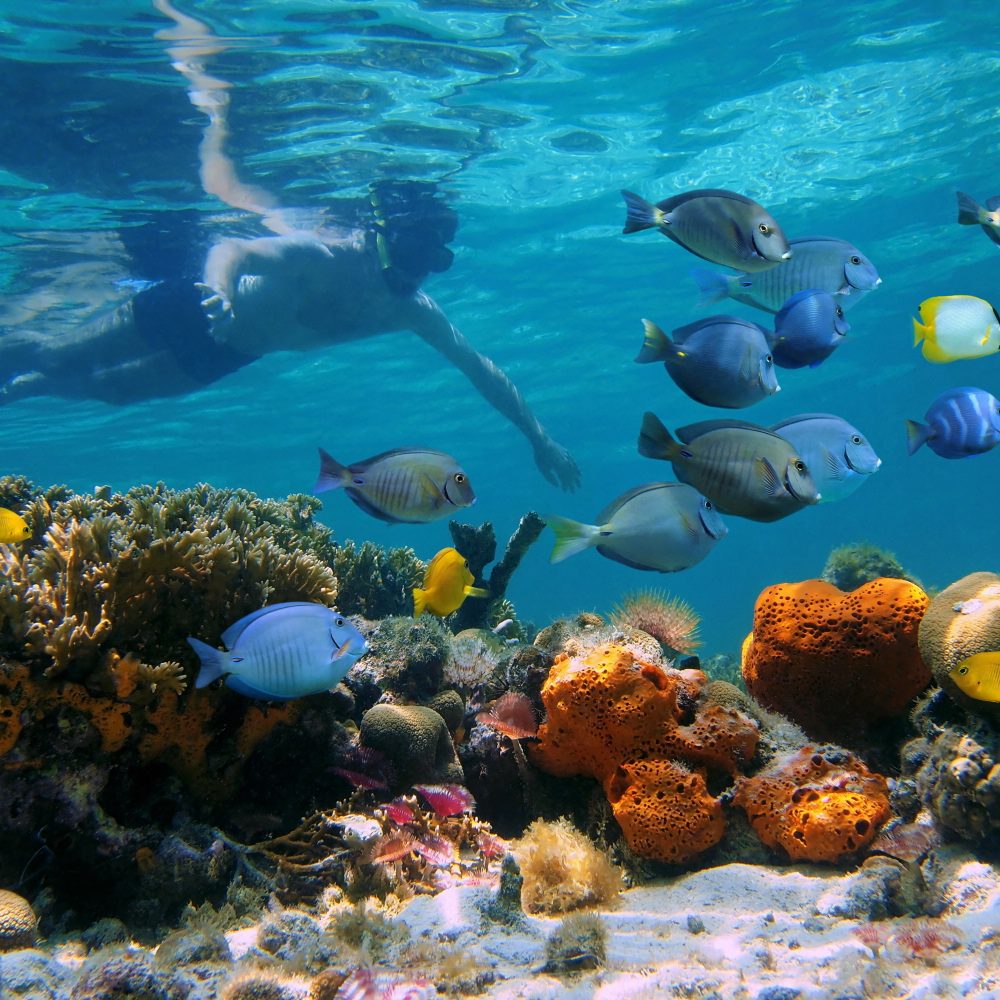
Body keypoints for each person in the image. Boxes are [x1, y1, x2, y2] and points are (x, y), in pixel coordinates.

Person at [0, 1, 580, 492]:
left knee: (113, 393)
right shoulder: (327, 257)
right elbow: (233, 249)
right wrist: (218, 294)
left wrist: (541, 438)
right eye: (409, 255)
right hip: (194, 304)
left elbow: (481, 370)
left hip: (233, 352)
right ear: (382, 238)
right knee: (58, 353)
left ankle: (26, 390)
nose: (416, 274)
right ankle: (28, 367)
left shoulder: (411, 311)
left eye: (431, 262)